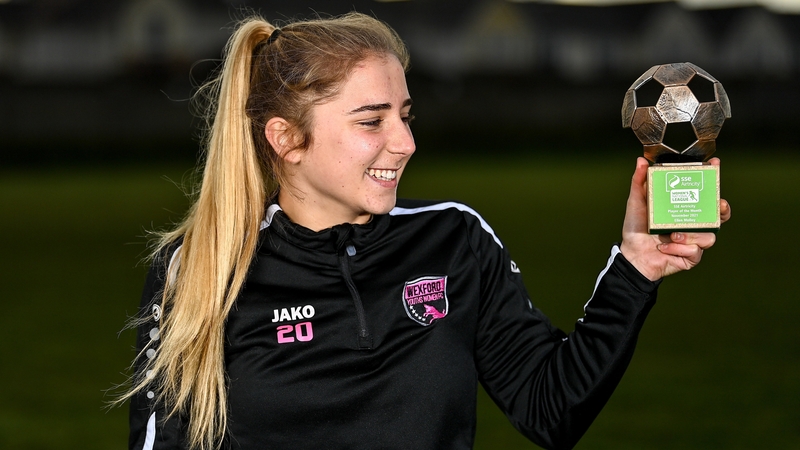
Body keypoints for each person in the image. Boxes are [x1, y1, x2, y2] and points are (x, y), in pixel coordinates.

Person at [122, 12, 731, 450]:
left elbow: (552, 411)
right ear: (286, 139)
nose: (405, 143)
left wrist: (634, 268)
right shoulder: (204, 265)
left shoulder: (453, 241)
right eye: (371, 120)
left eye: (405, 117)